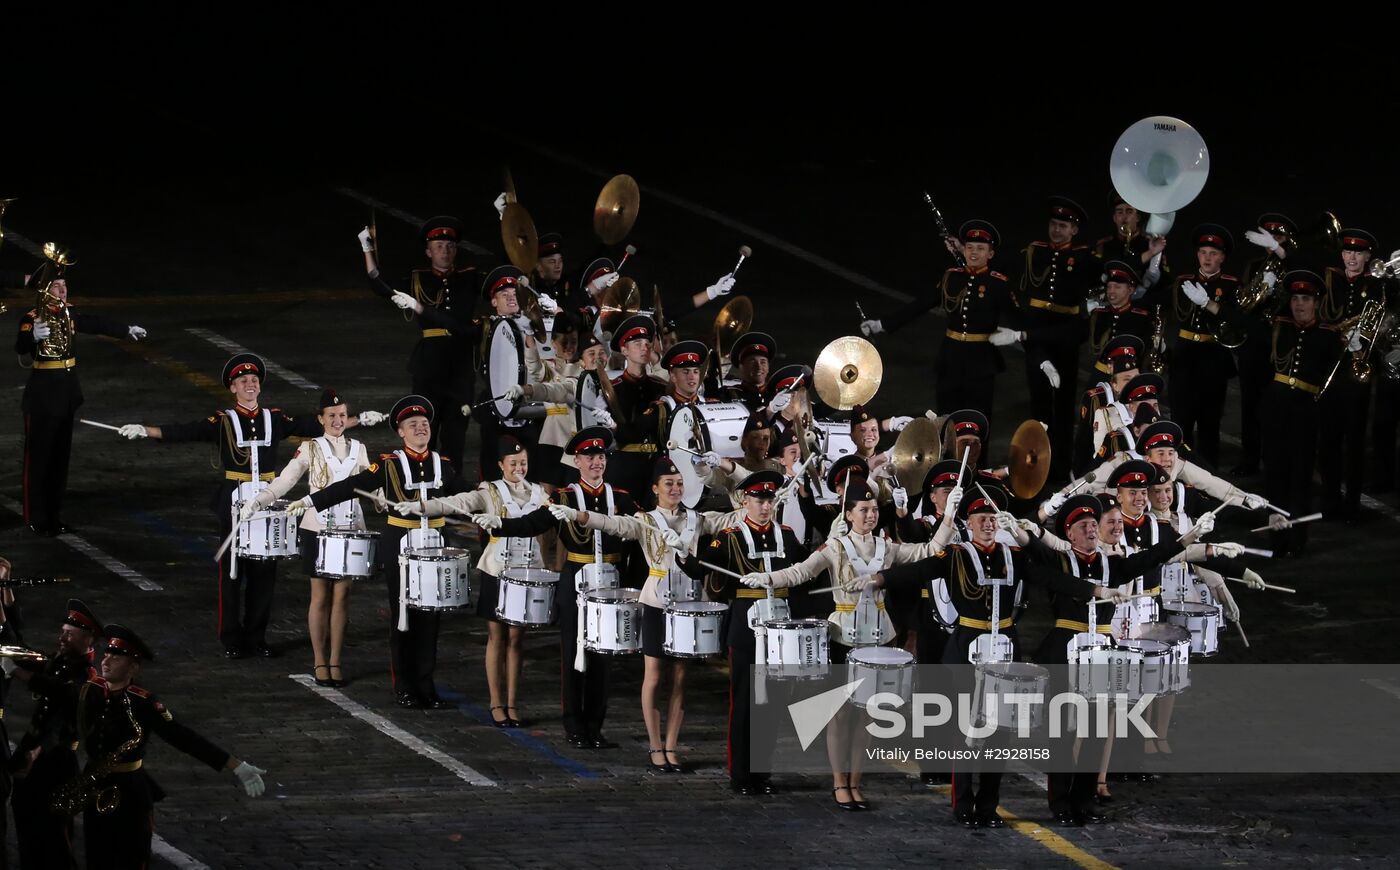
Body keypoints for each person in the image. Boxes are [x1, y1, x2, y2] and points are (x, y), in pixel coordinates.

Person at [117, 354, 381, 658]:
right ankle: (231, 638)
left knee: (264, 573)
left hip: (269, 499)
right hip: (235, 499)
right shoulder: (224, 420)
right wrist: (146, 430)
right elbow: (186, 431)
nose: (250, 385)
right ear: (233, 388)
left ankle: (257, 637)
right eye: (243, 381)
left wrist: (358, 419)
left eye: (254, 380)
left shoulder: (275, 418)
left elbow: (316, 423)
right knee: (231, 572)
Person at [748, 478, 943, 811]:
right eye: (863, 510)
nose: (870, 516)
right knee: (840, 716)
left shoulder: (887, 547)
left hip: (878, 640)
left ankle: (856, 781)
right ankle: (840, 782)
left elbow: (929, 551)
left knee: (867, 715)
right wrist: (766, 579)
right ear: (848, 514)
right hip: (843, 640)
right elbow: (800, 573)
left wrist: (949, 518)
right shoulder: (836, 547)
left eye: (873, 510)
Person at [7, 625, 267, 870]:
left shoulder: (143, 703)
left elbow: (183, 737)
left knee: (130, 857)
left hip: (129, 790)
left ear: (133, 668)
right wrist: (16, 670)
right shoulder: (91, 691)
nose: (106, 661)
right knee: (97, 856)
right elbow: (55, 690)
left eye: (116, 658)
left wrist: (235, 765)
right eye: (106, 654)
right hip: (95, 787)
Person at [563, 457, 739, 771]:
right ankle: (655, 746)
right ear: (655, 488)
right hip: (657, 602)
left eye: (679, 483)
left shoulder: (698, 519)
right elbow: (612, 523)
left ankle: (672, 746)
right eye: (668, 484)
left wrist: (732, 472)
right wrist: (578, 514)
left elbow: (740, 514)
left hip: (688, 603)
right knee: (655, 677)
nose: (675, 488)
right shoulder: (645, 520)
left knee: (681, 679)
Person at [297, 396, 470, 708]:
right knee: (403, 615)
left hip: (434, 541)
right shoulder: (389, 464)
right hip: (401, 543)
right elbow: (351, 486)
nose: (420, 428)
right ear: (401, 432)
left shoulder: (442, 465)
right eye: (412, 425)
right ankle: (404, 685)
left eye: (424, 424)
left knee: (431, 615)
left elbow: (466, 492)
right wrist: (311, 501)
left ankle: (426, 684)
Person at [404, 435, 551, 727]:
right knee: (497, 637)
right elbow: (459, 502)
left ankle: (512, 701)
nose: (519, 468)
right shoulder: (490, 492)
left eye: (523, 462)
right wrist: (423, 507)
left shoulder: (540, 494)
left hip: (528, 571)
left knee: (517, 639)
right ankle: (496, 701)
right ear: (501, 465)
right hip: (497, 570)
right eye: (513, 463)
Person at [245, 388, 375, 688]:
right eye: (331, 416)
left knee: (342, 597)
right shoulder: (310, 448)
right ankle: (319, 659)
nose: (337, 420)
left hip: (350, 529)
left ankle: (336, 660)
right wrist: (260, 499)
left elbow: (375, 484)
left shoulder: (359, 449)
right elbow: (287, 479)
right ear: (320, 419)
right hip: (317, 528)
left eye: (342, 415)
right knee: (320, 596)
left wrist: (387, 500)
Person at [15, 259, 147, 535]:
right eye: (57, 286)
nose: (63, 291)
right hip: (42, 398)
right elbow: (21, 345)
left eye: (65, 285)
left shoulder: (69, 314)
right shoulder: (32, 317)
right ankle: (34, 517)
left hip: (65, 396)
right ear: (45, 290)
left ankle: (52, 515)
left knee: (59, 462)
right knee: (38, 461)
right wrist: (33, 338)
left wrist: (125, 330)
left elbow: (95, 323)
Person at [704, 470, 808, 795]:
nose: (765, 507)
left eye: (770, 500)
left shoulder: (787, 536)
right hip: (747, 628)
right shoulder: (732, 536)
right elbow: (703, 565)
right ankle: (740, 773)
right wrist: (684, 553)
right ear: (744, 500)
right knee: (745, 702)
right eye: (760, 500)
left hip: (779, 626)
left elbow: (807, 570)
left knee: (773, 704)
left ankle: (762, 772)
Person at [861, 220, 1023, 425]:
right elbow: (922, 304)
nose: (974, 253)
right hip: (950, 360)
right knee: (946, 422)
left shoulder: (998, 283)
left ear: (990, 254)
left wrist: (1040, 350)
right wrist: (882, 324)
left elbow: (1019, 320)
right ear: (962, 249)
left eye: (981, 249)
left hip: (981, 364)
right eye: (970, 247)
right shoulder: (951, 277)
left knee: (977, 424)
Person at [359, 216, 480, 469]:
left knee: (456, 435)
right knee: (427, 430)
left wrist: (510, 225)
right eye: (438, 247)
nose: (444, 251)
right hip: (429, 367)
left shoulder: (469, 277)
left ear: (456, 249)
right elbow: (380, 283)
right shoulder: (417, 279)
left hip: (460, 367)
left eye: (449, 246)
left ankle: (452, 488)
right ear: (428, 251)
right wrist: (366, 247)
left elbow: (505, 276)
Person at [9, 599, 102, 869]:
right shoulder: (61, 661)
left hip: (56, 763)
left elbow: (63, 695)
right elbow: (25, 652)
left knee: (54, 835)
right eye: (62, 631)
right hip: (36, 756)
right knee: (27, 823)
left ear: (88, 638)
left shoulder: (87, 676)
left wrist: (19, 674)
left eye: (69, 634)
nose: (61, 638)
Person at [1017, 197, 1098, 481]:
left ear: (1074, 230)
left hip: (1065, 335)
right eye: (1054, 224)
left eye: (1063, 226)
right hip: (1037, 333)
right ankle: (1036, 465)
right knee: (1038, 403)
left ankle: (1061, 469)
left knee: (1064, 405)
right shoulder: (1034, 251)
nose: (1057, 230)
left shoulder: (1084, 257)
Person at [1170, 224, 1240, 468]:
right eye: (1203, 252)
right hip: (1184, 357)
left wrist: (1209, 303)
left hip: (1213, 358)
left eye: (1213, 253)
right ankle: (1179, 473)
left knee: (1210, 423)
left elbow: (1234, 321)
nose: (1207, 258)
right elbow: (1178, 315)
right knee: (1181, 420)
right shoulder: (1183, 281)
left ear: (1222, 257)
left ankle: (1208, 475)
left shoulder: (1231, 285)